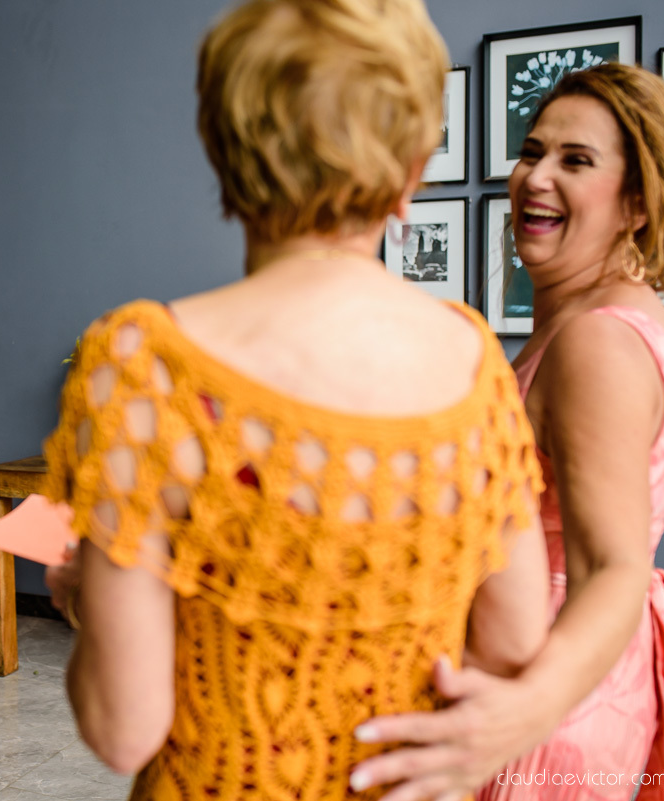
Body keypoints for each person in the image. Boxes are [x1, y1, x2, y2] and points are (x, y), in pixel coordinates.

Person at [39, 1, 551, 798]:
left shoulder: (148, 365)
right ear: (413, 169)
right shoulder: (473, 361)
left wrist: (85, 599)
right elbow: (516, 640)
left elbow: (123, 726)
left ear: (225, 148)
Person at [351, 64, 664, 801]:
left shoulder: (596, 345)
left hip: (545, 703)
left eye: (575, 161)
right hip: (580, 679)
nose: (535, 177)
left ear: (637, 202)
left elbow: (613, 565)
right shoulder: (605, 319)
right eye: (532, 151)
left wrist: (523, 710)